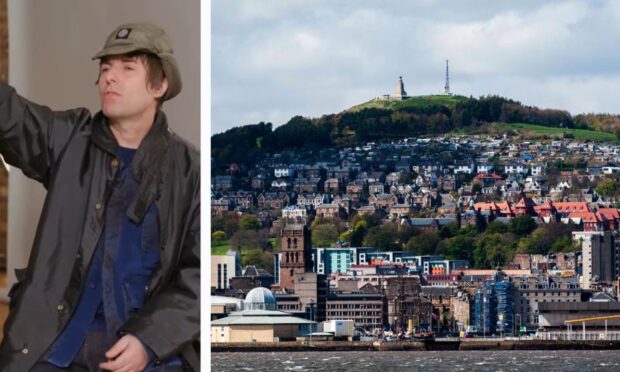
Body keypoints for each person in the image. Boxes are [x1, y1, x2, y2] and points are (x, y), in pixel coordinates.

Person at [0, 22, 200, 371]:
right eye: (105, 68)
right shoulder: (67, 139)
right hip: (55, 343)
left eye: (127, 68)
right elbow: (10, 116)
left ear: (160, 84)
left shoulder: (190, 170)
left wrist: (148, 340)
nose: (110, 77)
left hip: (144, 350)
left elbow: (196, 276)